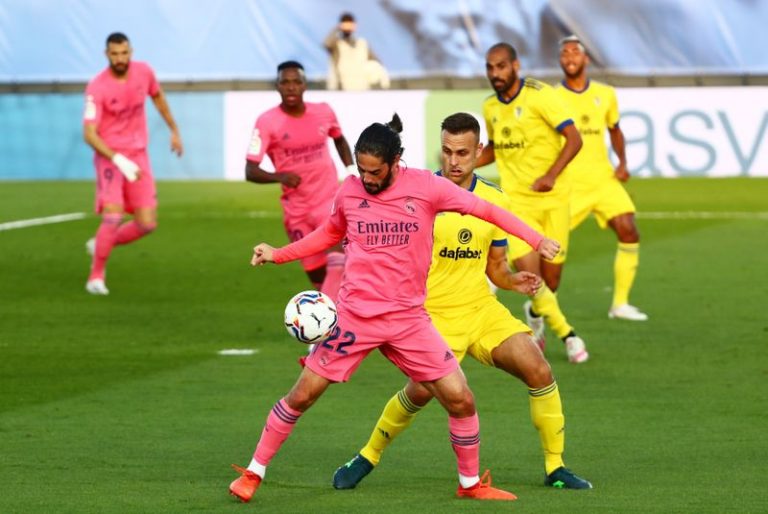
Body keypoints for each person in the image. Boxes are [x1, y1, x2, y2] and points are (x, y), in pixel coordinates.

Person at [229, 114, 561, 503]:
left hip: (408, 320)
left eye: (375, 172)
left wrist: (536, 239)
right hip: (354, 318)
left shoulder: (427, 187)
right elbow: (329, 233)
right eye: (361, 169)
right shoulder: (350, 191)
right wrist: (278, 254)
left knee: (461, 398)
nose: (367, 179)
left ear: (395, 161)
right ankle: (252, 474)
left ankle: (470, 485)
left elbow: (487, 211)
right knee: (301, 396)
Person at [331, 112, 592, 491]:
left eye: (463, 153)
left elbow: (496, 267)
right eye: (447, 151)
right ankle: (367, 455)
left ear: (479, 151)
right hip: (431, 315)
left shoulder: (494, 199)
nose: (453, 161)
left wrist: (513, 281)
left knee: (539, 370)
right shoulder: (416, 193)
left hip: (480, 310)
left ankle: (556, 467)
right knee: (419, 392)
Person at [478, 42, 588, 363]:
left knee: (550, 283)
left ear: (515, 66)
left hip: (554, 201)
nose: (495, 74)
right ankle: (570, 336)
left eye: (500, 66)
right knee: (534, 278)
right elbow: (497, 147)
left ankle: (536, 311)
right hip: (515, 206)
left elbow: (574, 138)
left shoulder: (540, 95)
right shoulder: (490, 107)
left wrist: (552, 175)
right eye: (490, 68)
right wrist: (466, 161)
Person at [83, 32, 183, 295]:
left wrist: (174, 130)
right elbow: (89, 133)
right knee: (113, 215)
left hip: (139, 156)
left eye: (124, 53)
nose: (120, 58)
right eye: (114, 54)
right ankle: (96, 276)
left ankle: (101, 243)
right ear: (107, 55)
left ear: (131, 52)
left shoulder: (144, 73)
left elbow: (158, 98)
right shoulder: (97, 87)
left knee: (147, 223)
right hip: (110, 158)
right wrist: (116, 158)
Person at [556, 35, 647, 321]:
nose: (570, 57)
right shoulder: (551, 97)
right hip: (571, 182)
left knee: (628, 229)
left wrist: (622, 162)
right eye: (564, 53)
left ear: (586, 59)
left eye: (575, 52)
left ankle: (620, 304)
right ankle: (494, 280)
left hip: (603, 179)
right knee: (545, 243)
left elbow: (615, 130)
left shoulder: (605, 94)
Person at [245, 60, 354, 300]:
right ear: (277, 86)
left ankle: (330, 332)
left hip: (329, 200)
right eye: (285, 82)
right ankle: (331, 327)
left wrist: (349, 170)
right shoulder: (266, 122)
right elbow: (250, 170)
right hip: (297, 211)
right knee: (319, 282)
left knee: (338, 261)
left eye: (296, 82)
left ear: (305, 85)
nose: (291, 87)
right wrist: (280, 176)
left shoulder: (324, 111)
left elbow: (339, 138)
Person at [324, 12, 389, 91]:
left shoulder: (362, 44)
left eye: (350, 24)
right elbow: (326, 44)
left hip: (362, 89)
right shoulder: (336, 44)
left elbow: (377, 62)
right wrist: (337, 29)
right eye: (345, 24)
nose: (348, 27)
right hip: (341, 90)